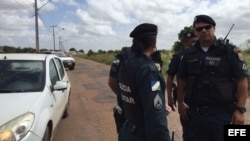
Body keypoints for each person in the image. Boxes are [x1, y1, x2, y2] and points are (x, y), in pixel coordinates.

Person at [177, 14, 249, 141]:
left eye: (207, 27)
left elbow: (242, 80)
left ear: (214, 28)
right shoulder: (188, 53)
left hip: (224, 114)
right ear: (195, 32)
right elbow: (181, 79)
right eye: (199, 29)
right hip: (194, 114)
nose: (204, 31)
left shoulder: (230, 51)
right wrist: (180, 104)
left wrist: (240, 110)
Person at [117, 23, 171, 141]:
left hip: (127, 132)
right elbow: (156, 116)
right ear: (154, 43)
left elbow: (123, 98)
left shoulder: (126, 64)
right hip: (143, 135)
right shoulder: (148, 70)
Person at [108, 46, 170, 134]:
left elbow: (155, 83)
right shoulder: (124, 56)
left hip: (148, 113)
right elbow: (112, 82)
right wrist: (128, 98)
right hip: (132, 115)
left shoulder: (156, 56)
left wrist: (158, 102)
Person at [166, 31, 197, 111]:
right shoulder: (178, 57)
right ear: (184, 42)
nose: (194, 44)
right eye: (192, 41)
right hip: (185, 96)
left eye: (196, 41)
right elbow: (170, 77)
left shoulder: (202, 55)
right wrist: (169, 97)